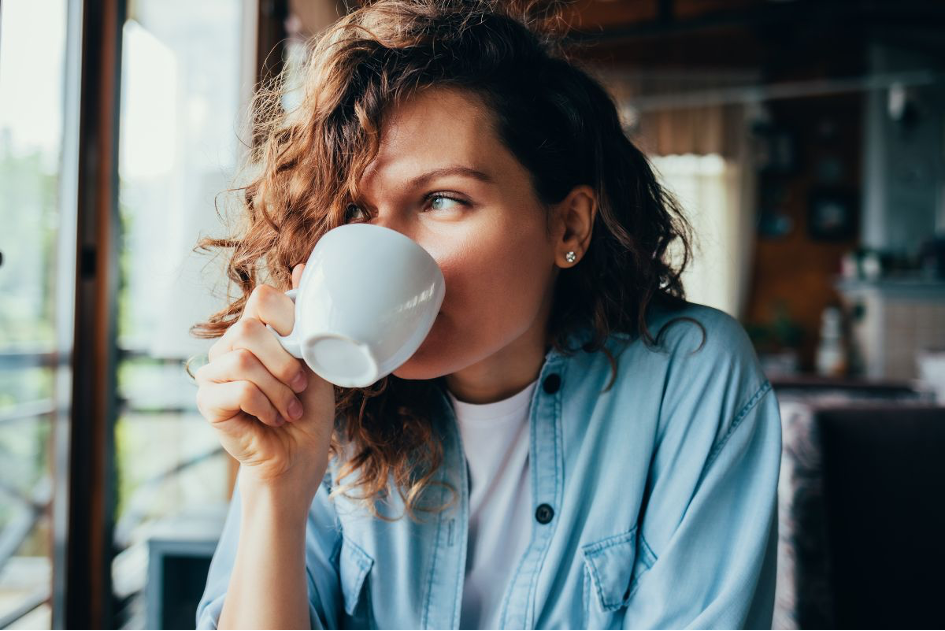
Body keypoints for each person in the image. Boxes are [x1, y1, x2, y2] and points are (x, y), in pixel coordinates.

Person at [190, 0, 782, 628]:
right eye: (357, 212)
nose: (384, 248)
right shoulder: (324, 405)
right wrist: (276, 485)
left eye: (442, 199)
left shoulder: (689, 378)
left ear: (568, 225)